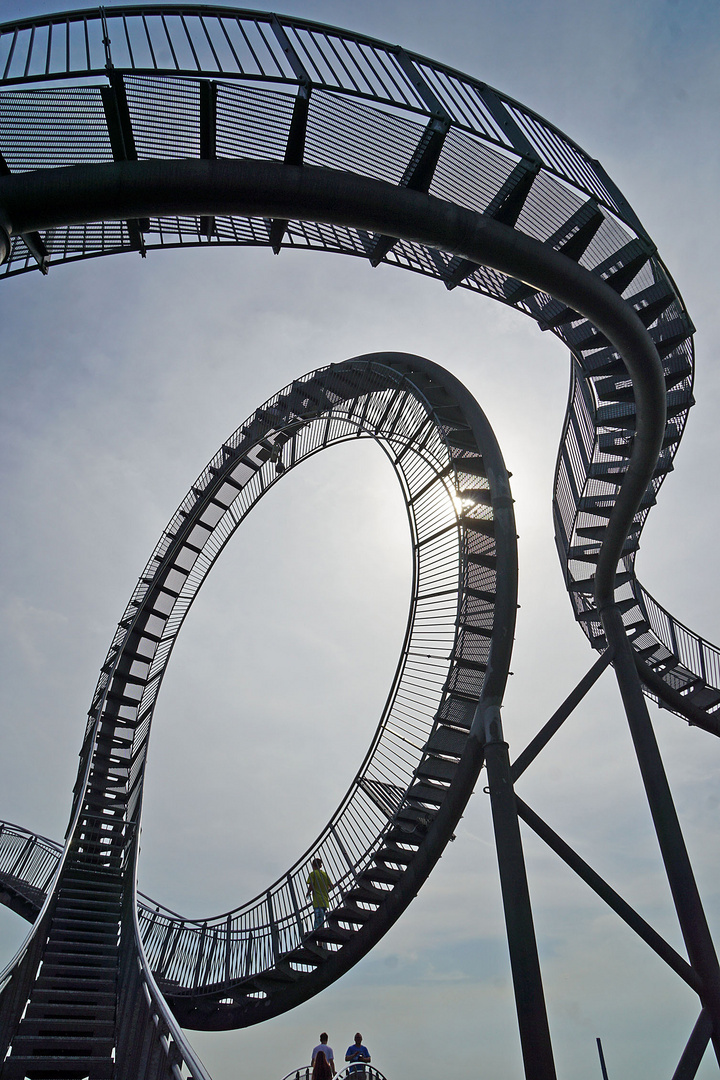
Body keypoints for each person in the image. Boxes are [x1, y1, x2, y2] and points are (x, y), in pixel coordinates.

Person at [306, 857, 332, 929]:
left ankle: (319, 932)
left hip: (317, 900)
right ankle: (320, 931)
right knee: (321, 918)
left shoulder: (313, 874)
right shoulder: (324, 874)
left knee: (318, 919)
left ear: (313, 866)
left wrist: (308, 893)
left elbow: (311, 885)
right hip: (325, 901)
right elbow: (331, 886)